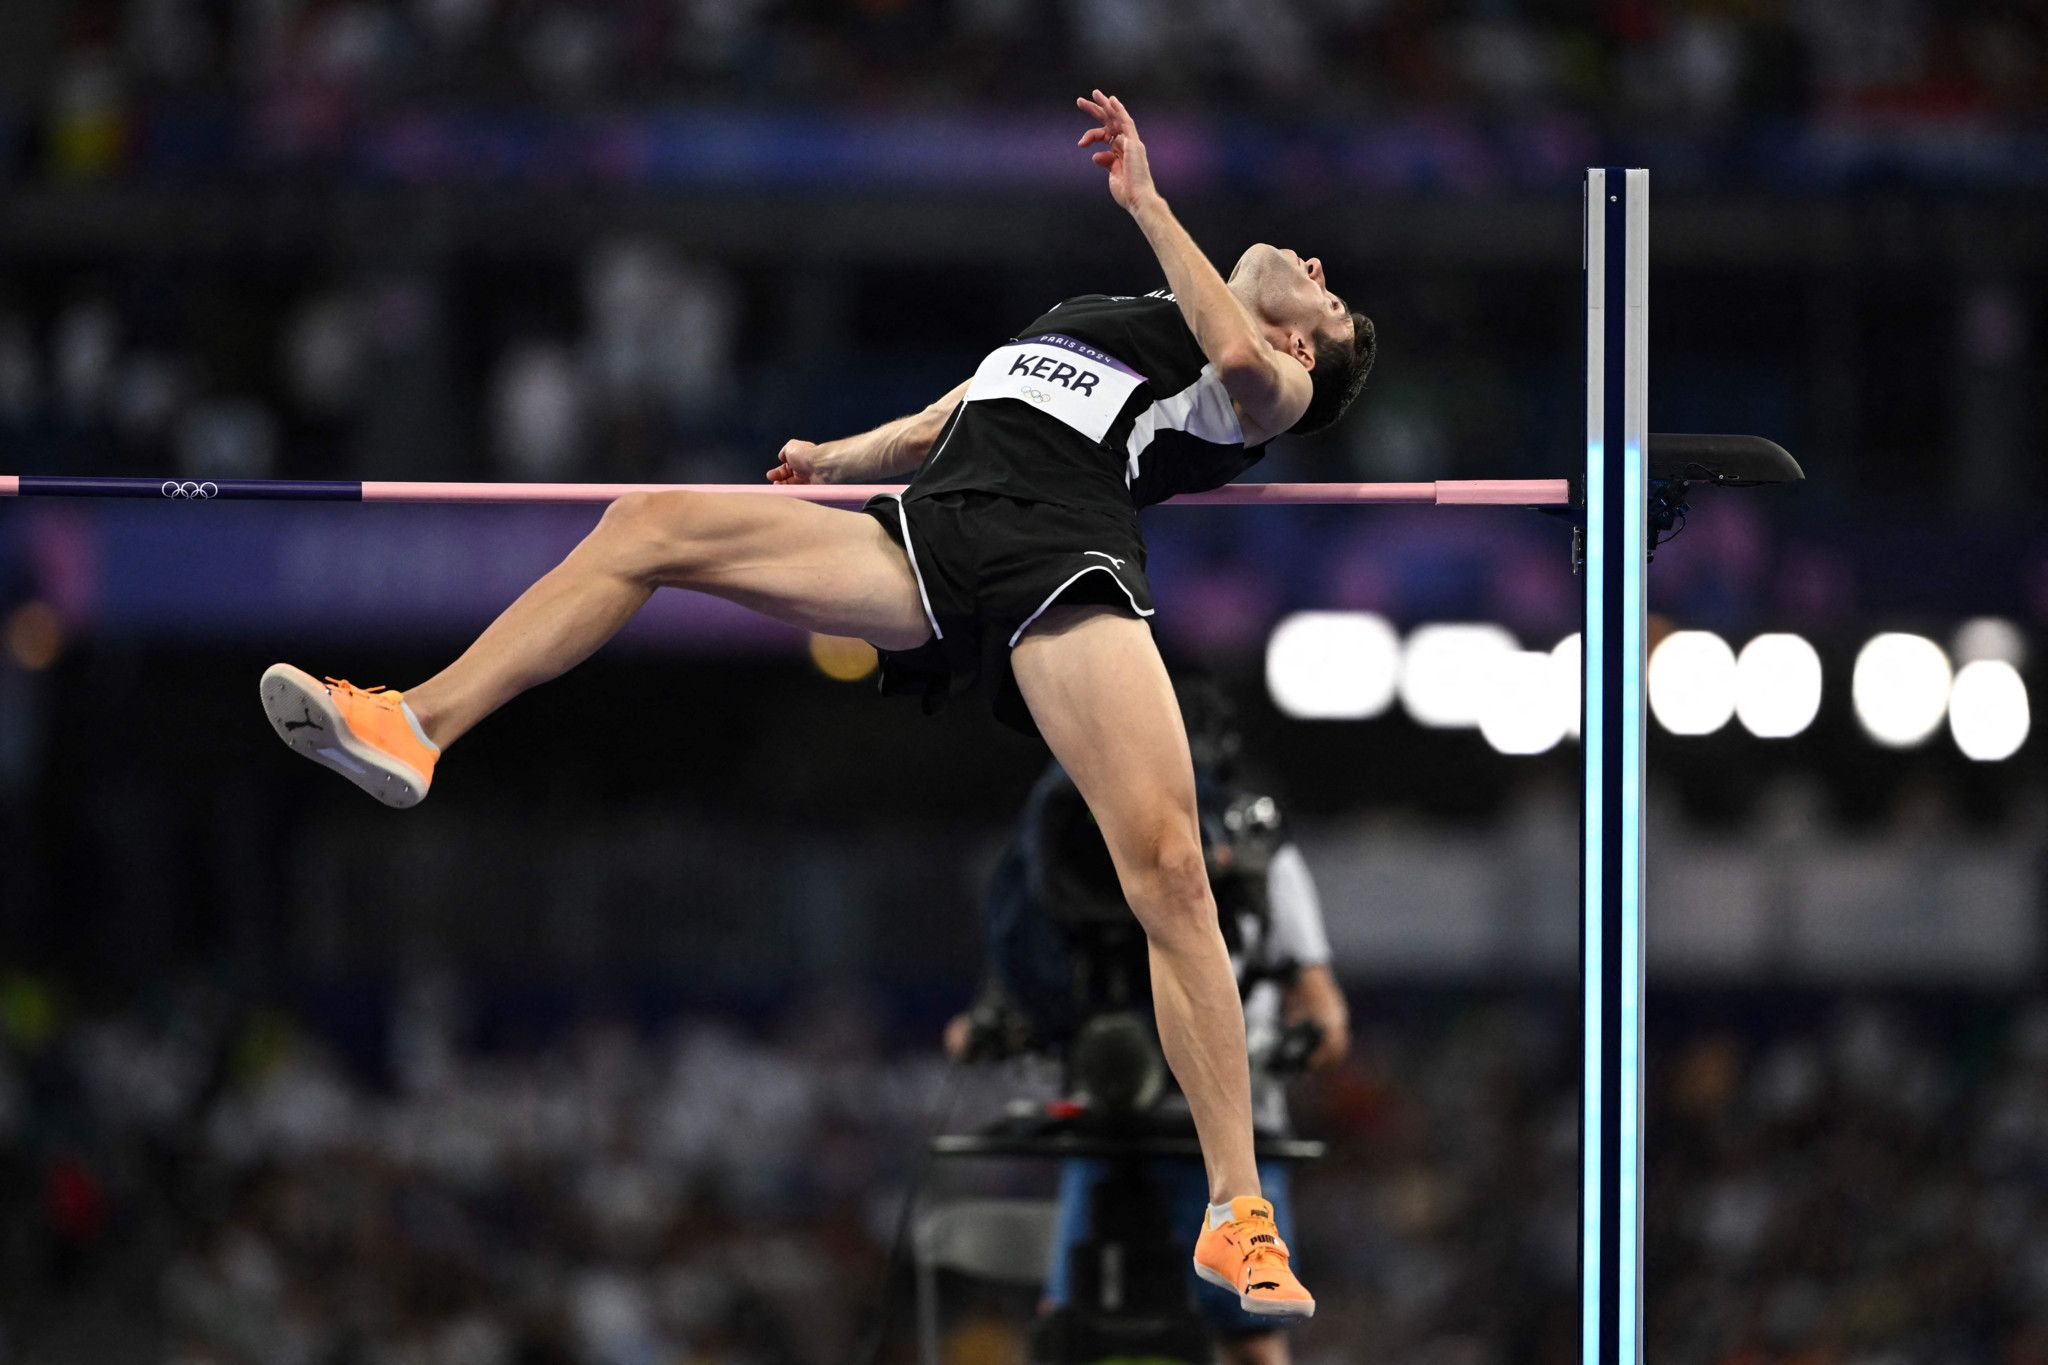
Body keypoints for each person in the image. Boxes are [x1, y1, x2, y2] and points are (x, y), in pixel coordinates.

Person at [256, 90, 1374, 1318]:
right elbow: (961, 412)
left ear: (1307, 349)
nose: (1313, 268)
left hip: (1064, 558)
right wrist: (838, 461)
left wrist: (1150, 203)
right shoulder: (1101, 316)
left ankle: (1234, 1212)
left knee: (1164, 869)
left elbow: (1226, 356)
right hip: (926, 536)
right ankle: (413, 725)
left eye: (1324, 293)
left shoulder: (1258, 385)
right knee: (645, 525)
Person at [944, 681, 1350, 1364]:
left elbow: (1325, 1012)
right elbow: (998, 993)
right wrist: (990, 1030)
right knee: (1070, 1326)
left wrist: (1299, 1040)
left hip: (1223, 1127)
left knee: (1251, 1336)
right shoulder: (1061, 837)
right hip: (1108, 1119)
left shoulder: (1256, 852)